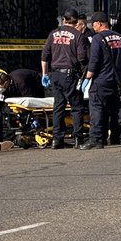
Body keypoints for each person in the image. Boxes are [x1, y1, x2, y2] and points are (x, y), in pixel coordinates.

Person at [78, 12, 121, 149]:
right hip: (117, 81)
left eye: (94, 24)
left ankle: (96, 139)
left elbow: (94, 61)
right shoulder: (120, 37)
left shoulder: (98, 38)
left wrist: (87, 78)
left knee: (96, 109)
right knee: (119, 109)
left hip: (101, 80)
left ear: (100, 23)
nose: (93, 26)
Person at [40, 8, 88, 149]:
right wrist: (85, 75)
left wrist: (44, 74)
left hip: (55, 75)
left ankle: (57, 139)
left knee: (58, 107)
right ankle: (78, 139)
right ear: (76, 20)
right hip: (70, 74)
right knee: (77, 107)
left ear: (64, 19)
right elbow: (82, 58)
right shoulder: (78, 35)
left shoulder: (53, 33)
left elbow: (45, 56)